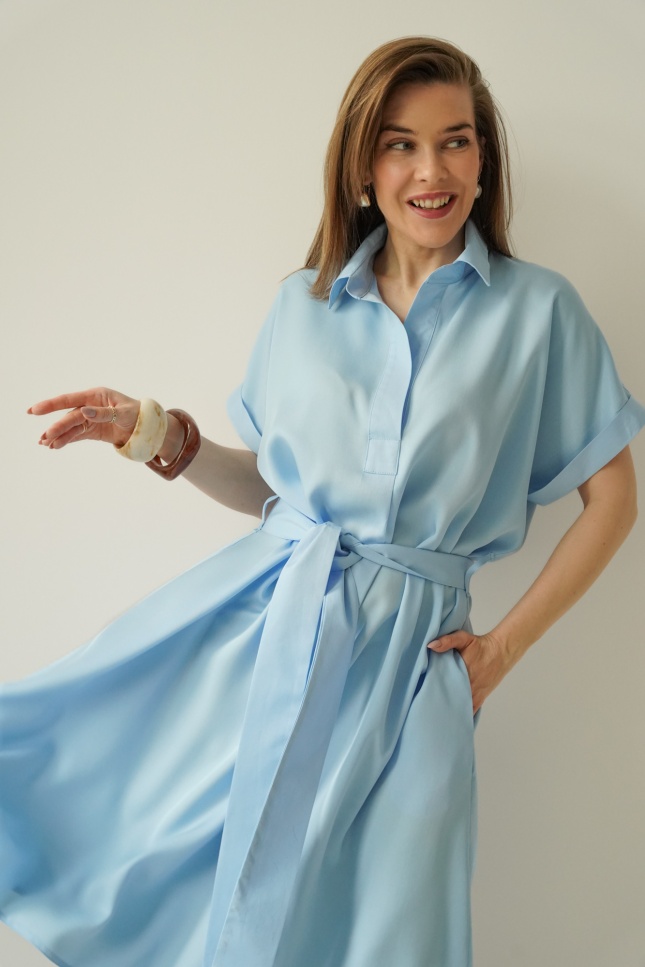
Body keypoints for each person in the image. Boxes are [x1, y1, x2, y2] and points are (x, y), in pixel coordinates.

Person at [1, 35, 643, 967]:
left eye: (455, 141)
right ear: (361, 169)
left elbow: (613, 498)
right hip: (266, 639)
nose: (431, 171)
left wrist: (498, 652)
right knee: (179, 871)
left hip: (417, 672)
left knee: (387, 927)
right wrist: (153, 433)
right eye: (399, 144)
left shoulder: (539, 312)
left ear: (482, 159)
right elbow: (276, 489)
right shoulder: (300, 306)